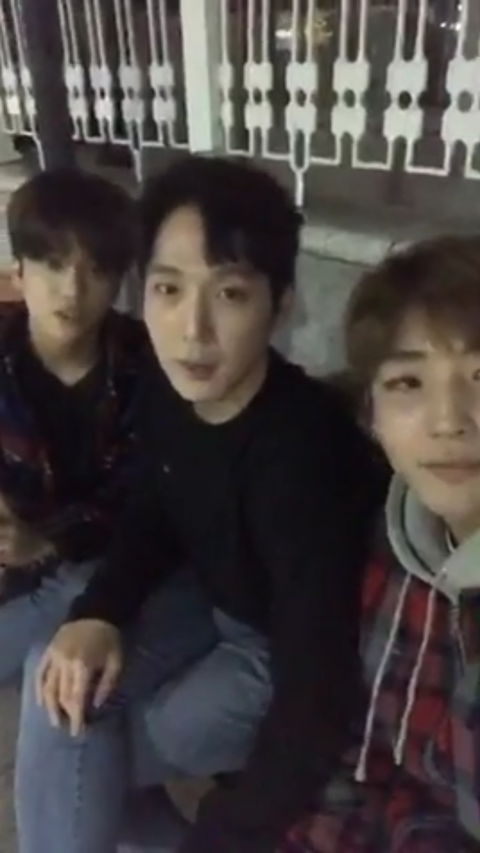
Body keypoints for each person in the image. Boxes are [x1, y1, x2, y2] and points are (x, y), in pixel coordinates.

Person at [18, 155, 388, 853]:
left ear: (281, 305)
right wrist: (99, 610)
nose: (192, 331)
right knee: (61, 676)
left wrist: (227, 836)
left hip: (283, 649)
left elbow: (319, 686)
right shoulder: (170, 385)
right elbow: (156, 502)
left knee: (83, 750)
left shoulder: (304, 457)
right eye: (167, 288)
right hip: (212, 599)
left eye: (230, 294)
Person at [282, 235, 480, 853]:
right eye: (408, 382)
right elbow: (370, 766)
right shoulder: (397, 546)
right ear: (372, 416)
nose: (449, 420)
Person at [0, 167, 146, 683]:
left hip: (87, 561)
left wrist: (42, 543)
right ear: (19, 273)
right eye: (54, 264)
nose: (72, 290)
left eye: (96, 270)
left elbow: (139, 504)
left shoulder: (142, 366)